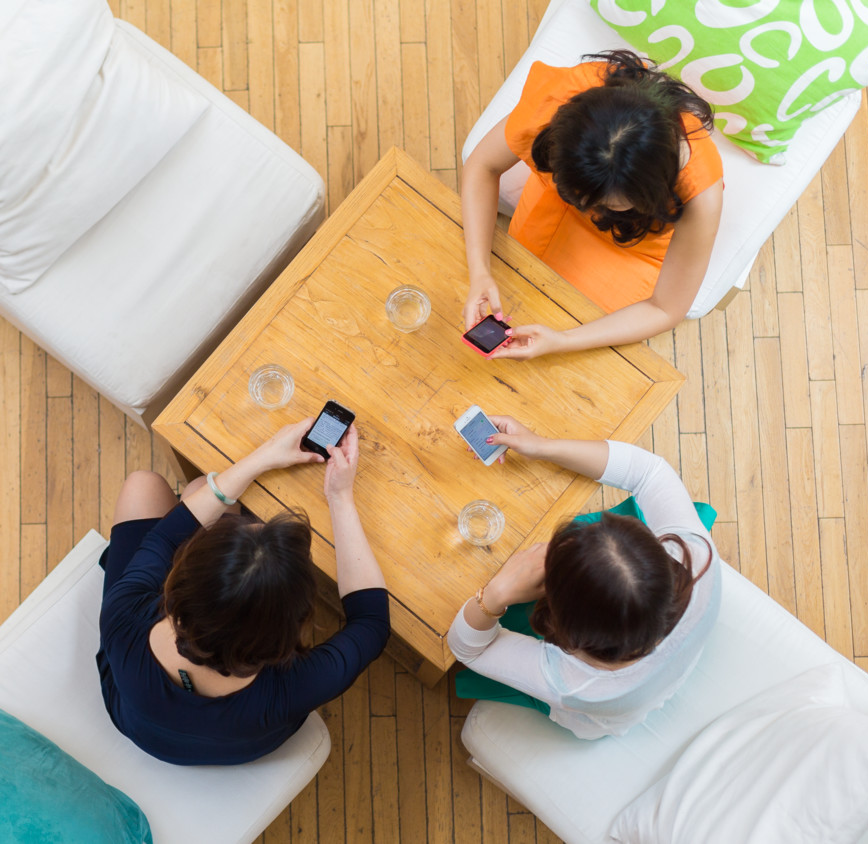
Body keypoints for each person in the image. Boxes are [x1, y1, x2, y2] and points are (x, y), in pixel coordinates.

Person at [97, 420, 389, 765]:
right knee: (201, 492)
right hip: (241, 740)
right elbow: (371, 623)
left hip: (139, 723)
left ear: (173, 582)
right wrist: (339, 497)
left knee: (156, 486)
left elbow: (163, 538)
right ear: (287, 634)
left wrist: (263, 457)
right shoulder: (293, 688)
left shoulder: (124, 614)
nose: (255, 522)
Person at [448, 416, 720, 739]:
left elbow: (469, 649)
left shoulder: (574, 682)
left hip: (597, 712)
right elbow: (650, 471)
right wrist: (542, 446)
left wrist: (497, 593)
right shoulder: (698, 558)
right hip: (667, 659)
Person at [460, 50, 723, 360]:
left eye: (606, 202)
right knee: (512, 282)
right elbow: (483, 165)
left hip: (633, 250)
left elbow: (665, 309)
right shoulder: (566, 101)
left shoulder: (700, 194)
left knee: (575, 333)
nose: (588, 209)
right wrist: (480, 271)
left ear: (650, 193)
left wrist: (562, 341)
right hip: (552, 207)